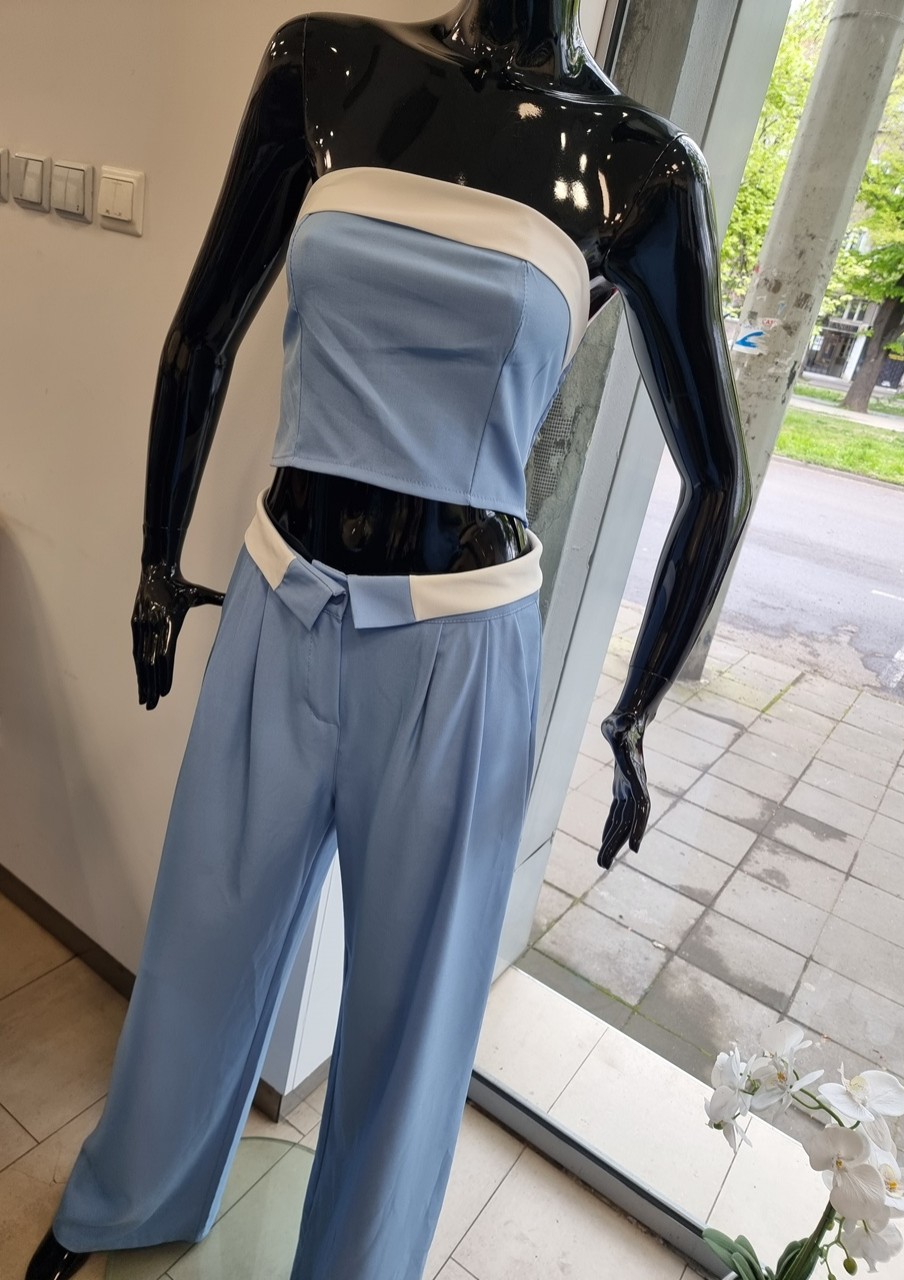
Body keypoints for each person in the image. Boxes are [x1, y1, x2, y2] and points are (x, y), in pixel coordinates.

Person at [26, 3, 751, 1278]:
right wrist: (157, 562)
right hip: (277, 598)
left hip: (455, 660)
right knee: (200, 942)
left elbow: (714, 477)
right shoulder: (325, 62)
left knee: (408, 1023)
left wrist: (631, 714)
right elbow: (202, 333)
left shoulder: (641, 166)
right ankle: (129, 1197)